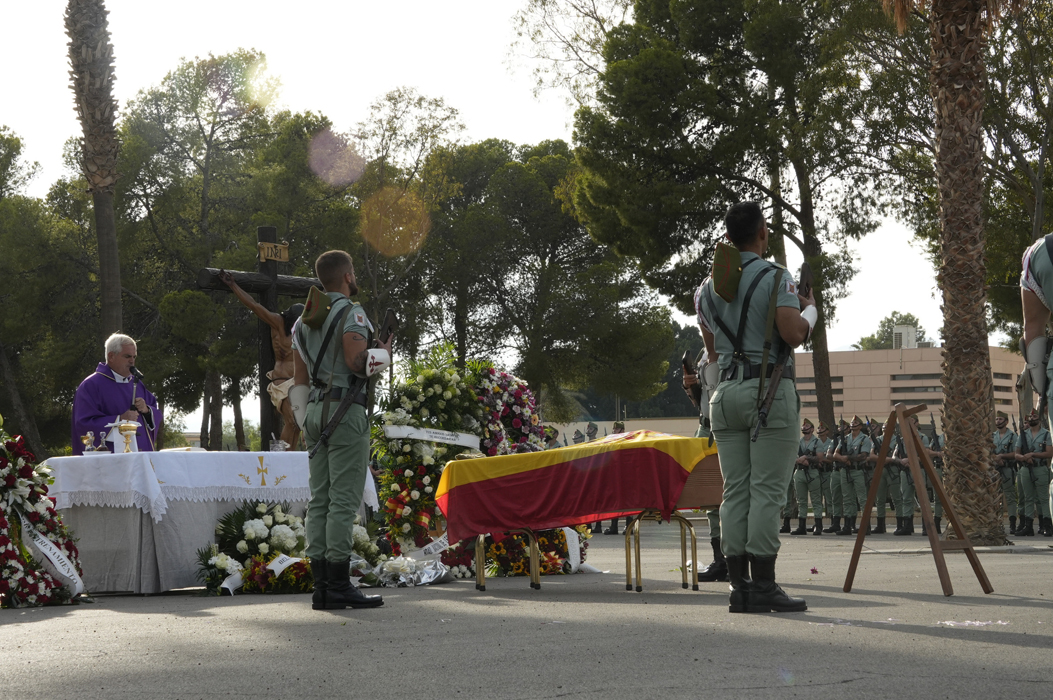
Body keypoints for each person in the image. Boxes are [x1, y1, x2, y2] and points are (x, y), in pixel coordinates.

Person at [698, 201, 815, 613]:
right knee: (767, 490)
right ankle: (764, 584)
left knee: (735, 491)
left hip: (724, 394)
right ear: (763, 232)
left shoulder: (707, 287)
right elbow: (793, 333)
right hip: (767, 390)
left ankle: (739, 586)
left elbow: (712, 350)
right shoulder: (776, 276)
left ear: (728, 236)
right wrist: (810, 311)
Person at [291, 250, 387, 610]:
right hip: (345, 411)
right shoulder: (353, 312)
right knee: (343, 502)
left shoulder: (303, 322)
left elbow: (299, 380)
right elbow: (355, 362)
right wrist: (384, 354)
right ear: (347, 276)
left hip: (313, 411)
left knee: (320, 500)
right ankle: (338, 584)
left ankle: (321, 588)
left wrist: (305, 424)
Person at [219, 270, 303, 450]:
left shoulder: (305, 331)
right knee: (292, 420)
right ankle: (280, 457)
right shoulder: (278, 323)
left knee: (299, 424)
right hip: (282, 382)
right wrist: (233, 285)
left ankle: (289, 458)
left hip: (298, 382)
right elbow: (254, 306)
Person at [72, 333, 162, 454]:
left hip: (139, 457)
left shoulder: (137, 384)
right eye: (127, 356)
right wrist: (120, 419)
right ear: (111, 356)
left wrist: (146, 410)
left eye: (134, 357)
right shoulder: (91, 385)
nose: (132, 361)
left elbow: (155, 414)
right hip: (110, 458)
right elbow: (83, 424)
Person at [683, 348, 727, 582]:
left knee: (732, 495)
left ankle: (737, 559)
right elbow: (699, 400)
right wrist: (690, 385)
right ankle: (720, 561)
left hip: (729, 426)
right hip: (706, 426)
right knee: (710, 497)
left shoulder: (736, 345)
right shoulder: (703, 352)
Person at [1012, 408, 1052, 537]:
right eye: (1030, 417)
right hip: (1025, 469)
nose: (1032, 419)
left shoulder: (1046, 434)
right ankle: (1028, 526)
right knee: (1028, 498)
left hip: (1040, 468)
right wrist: (1024, 457)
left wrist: (1033, 454)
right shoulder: (1023, 434)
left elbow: (1049, 453)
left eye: (1034, 417)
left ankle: (1047, 525)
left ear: (1040, 420)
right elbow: (1016, 453)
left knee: (1043, 498)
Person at [833, 416, 873, 536]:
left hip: (857, 470)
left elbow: (863, 456)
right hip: (846, 471)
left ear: (860, 426)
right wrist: (843, 459)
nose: (853, 424)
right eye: (851, 423)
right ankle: (847, 526)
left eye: (855, 423)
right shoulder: (844, 438)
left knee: (862, 499)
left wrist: (849, 457)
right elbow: (835, 453)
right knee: (847, 499)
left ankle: (866, 525)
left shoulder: (864, 439)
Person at [791, 419, 825, 535]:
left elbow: (819, 458)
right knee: (801, 501)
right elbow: (791, 457)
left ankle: (818, 525)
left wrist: (806, 458)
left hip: (812, 472)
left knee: (816, 500)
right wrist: (800, 461)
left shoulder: (817, 442)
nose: (804, 427)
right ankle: (802, 526)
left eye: (807, 426)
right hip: (800, 472)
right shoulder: (798, 442)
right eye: (803, 425)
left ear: (812, 429)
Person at [991, 411, 1019, 534]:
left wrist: (1003, 456)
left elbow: (1016, 453)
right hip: (995, 470)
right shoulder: (992, 436)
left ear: (1006, 421)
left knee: (1010, 497)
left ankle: (1012, 523)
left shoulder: (1013, 436)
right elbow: (987, 451)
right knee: (995, 498)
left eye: (1000, 419)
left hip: (1008, 469)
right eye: (996, 419)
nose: (998, 421)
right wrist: (995, 458)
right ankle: (997, 523)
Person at [603, 420, 629, 535]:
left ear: (623, 430)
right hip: (613, 476)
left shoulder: (628, 442)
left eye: (617, 429)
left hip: (625, 477)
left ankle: (629, 526)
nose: (614, 431)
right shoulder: (611, 442)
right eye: (614, 429)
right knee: (614, 502)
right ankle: (614, 526)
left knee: (627, 503)